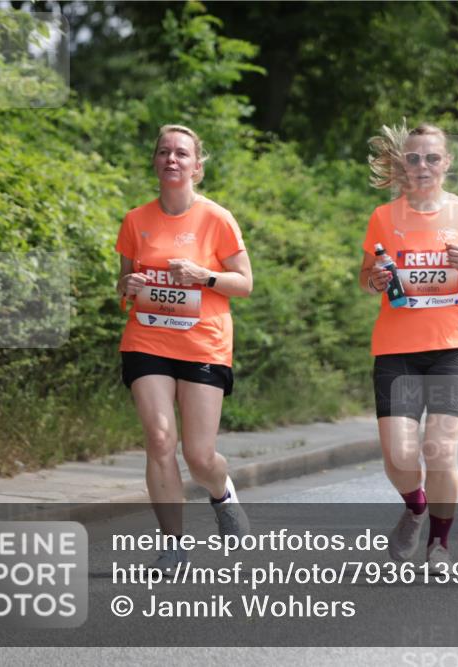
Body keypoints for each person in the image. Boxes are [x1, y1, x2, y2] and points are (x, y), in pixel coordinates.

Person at [360, 122, 458, 570]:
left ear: (447, 163)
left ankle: (439, 543)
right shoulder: (384, 217)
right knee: (399, 455)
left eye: (432, 158)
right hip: (396, 346)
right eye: (414, 157)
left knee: (439, 449)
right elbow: (366, 278)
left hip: (453, 345)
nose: (423, 166)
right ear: (404, 163)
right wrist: (376, 279)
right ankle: (416, 506)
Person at [116, 124, 253, 570]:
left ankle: (221, 492)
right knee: (159, 438)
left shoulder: (217, 219)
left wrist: (204, 276)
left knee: (199, 455)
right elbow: (123, 289)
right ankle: (173, 544)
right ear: (155, 162)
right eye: (164, 152)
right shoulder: (136, 220)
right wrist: (128, 285)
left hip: (203, 345)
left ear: (197, 166)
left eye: (181, 154)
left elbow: (245, 284)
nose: (171, 160)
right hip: (147, 338)